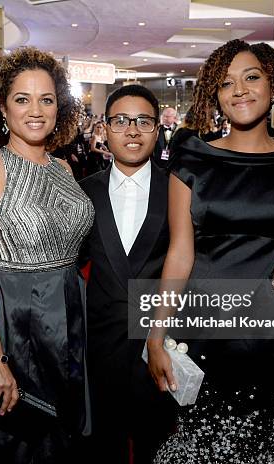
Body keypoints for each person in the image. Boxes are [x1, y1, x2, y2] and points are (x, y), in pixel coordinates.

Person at [148, 39, 274, 463]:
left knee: (257, 447)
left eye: (251, 77)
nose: (239, 90)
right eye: (226, 83)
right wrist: (155, 333)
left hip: (271, 335)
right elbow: (179, 255)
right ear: (216, 95)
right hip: (201, 330)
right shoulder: (192, 158)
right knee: (200, 447)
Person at [0, 46, 94, 463]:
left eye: (47, 99)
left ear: (60, 106)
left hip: (70, 314)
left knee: (65, 435)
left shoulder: (64, 168)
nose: (36, 110)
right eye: (22, 99)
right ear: (2, 107)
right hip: (17, 322)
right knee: (22, 439)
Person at [79, 84, 171, 464]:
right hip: (100, 349)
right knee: (103, 447)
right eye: (121, 120)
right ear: (106, 127)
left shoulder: (180, 190)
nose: (132, 130)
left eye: (143, 121)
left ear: (156, 129)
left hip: (162, 347)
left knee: (159, 447)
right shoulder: (82, 192)